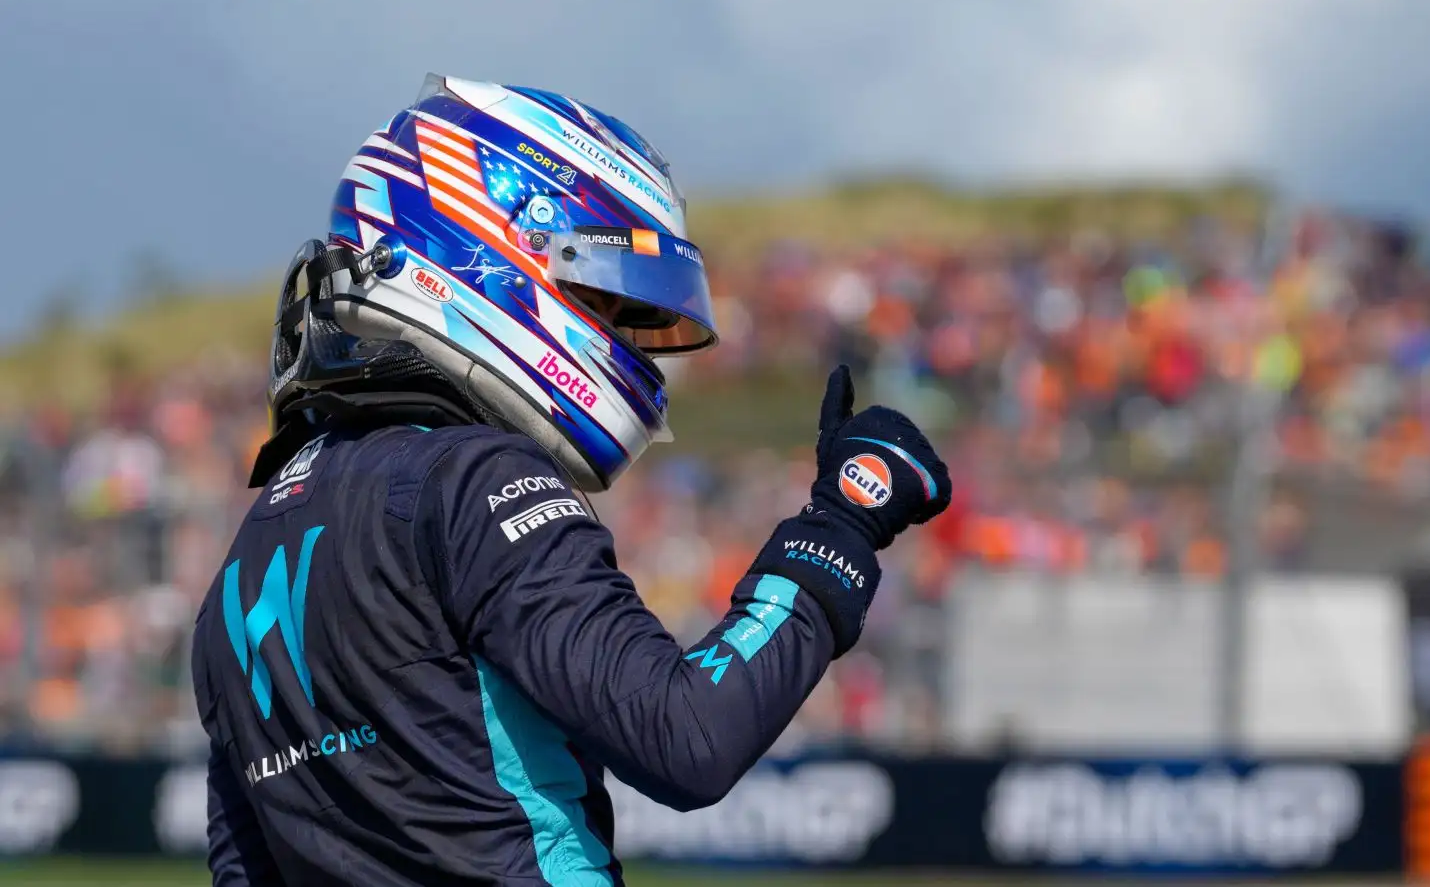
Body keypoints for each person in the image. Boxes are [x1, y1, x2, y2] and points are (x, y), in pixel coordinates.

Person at [190, 74, 951, 886]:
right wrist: (843, 521)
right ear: (489, 250)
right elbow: (688, 737)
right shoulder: (473, 478)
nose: (633, 339)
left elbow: (242, 869)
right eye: (609, 298)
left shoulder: (247, 553)